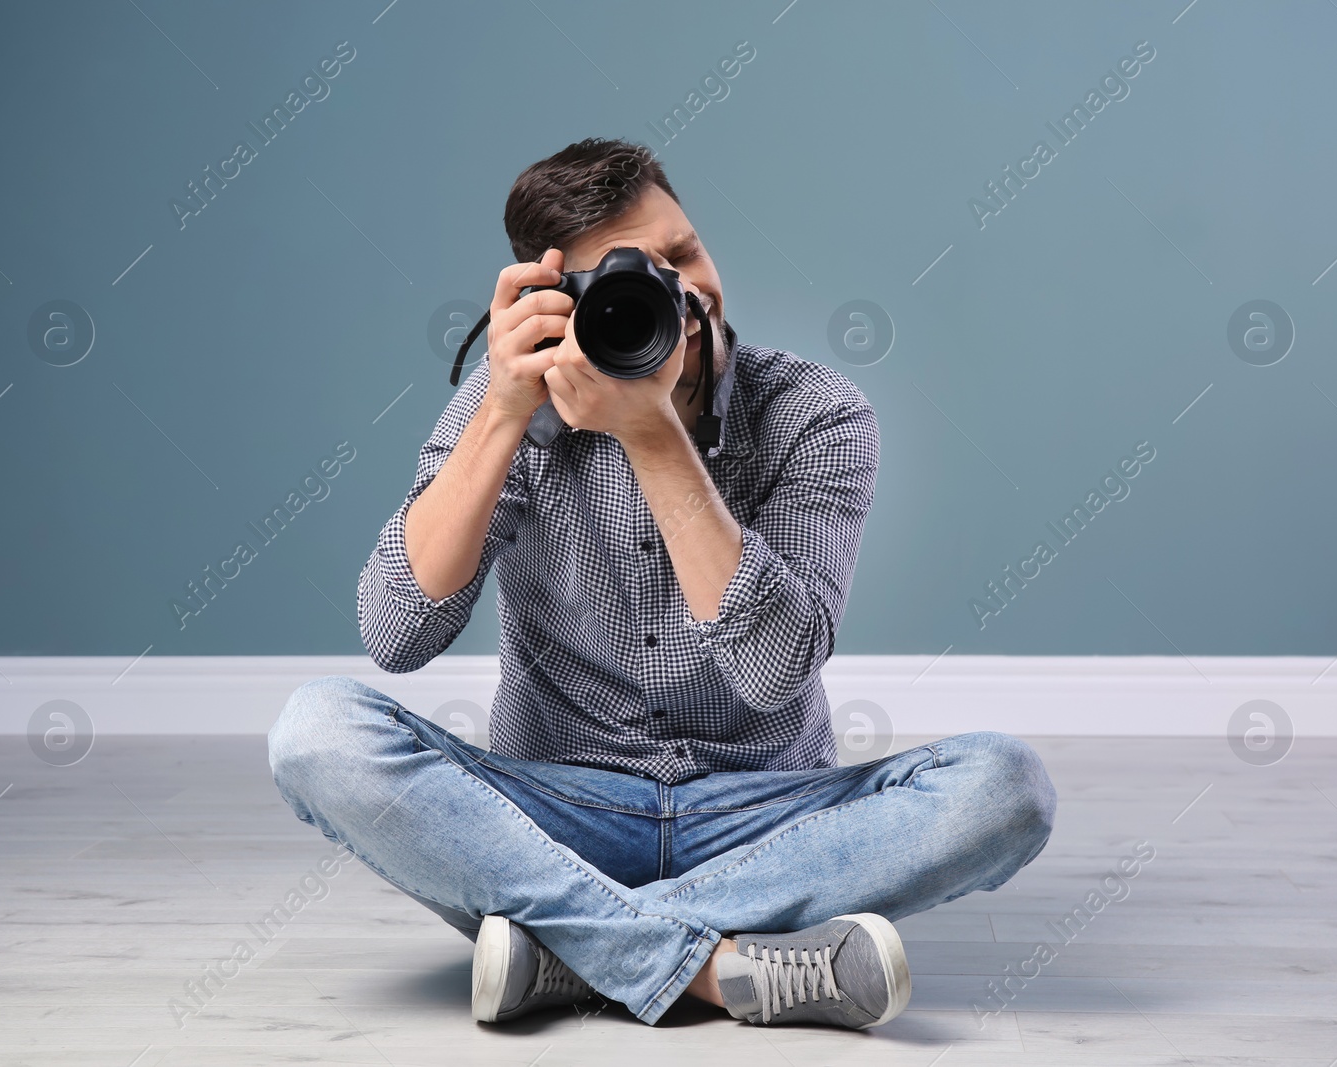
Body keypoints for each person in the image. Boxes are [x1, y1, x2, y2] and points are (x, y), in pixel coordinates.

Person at [268, 137, 1056, 1030]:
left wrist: (651, 437)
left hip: (763, 811)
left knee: (1006, 785)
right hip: (561, 803)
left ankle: (570, 948)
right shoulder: (510, 409)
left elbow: (773, 669)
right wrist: (499, 415)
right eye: (630, 281)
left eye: (682, 253)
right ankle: (719, 963)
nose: (682, 295)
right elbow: (396, 634)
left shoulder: (817, 413)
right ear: (555, 302)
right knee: (318, 729)